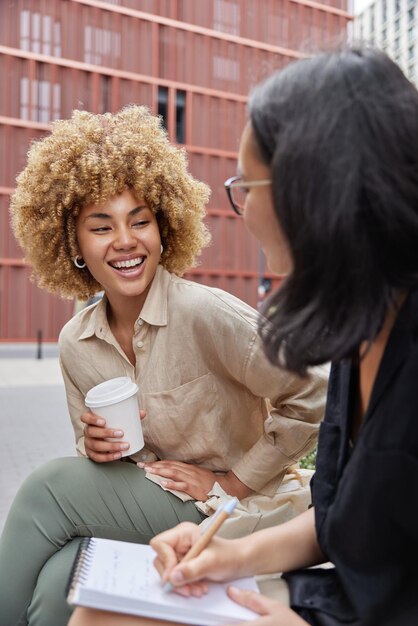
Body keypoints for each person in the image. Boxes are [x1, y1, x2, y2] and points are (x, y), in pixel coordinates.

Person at [68, 47, 418, 626]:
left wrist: (228, 484)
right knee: (97, 611)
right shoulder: (359, 336)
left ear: (313, 191)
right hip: (333, 596)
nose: (242, 210)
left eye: (247, 186)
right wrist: (229, 557)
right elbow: (336, 520)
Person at [0, 106, 327, 626]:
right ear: (74, 245)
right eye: (101, 226)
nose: (125, 240)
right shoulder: (75, 343)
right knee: (55, 583)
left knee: (45, 491)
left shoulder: (204, 313)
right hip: (151, 501)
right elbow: (96, 469)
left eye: (140, 221)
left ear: (164, 227)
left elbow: (313, 394)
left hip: (233, 509)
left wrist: (236, 481)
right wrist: (95, 447)